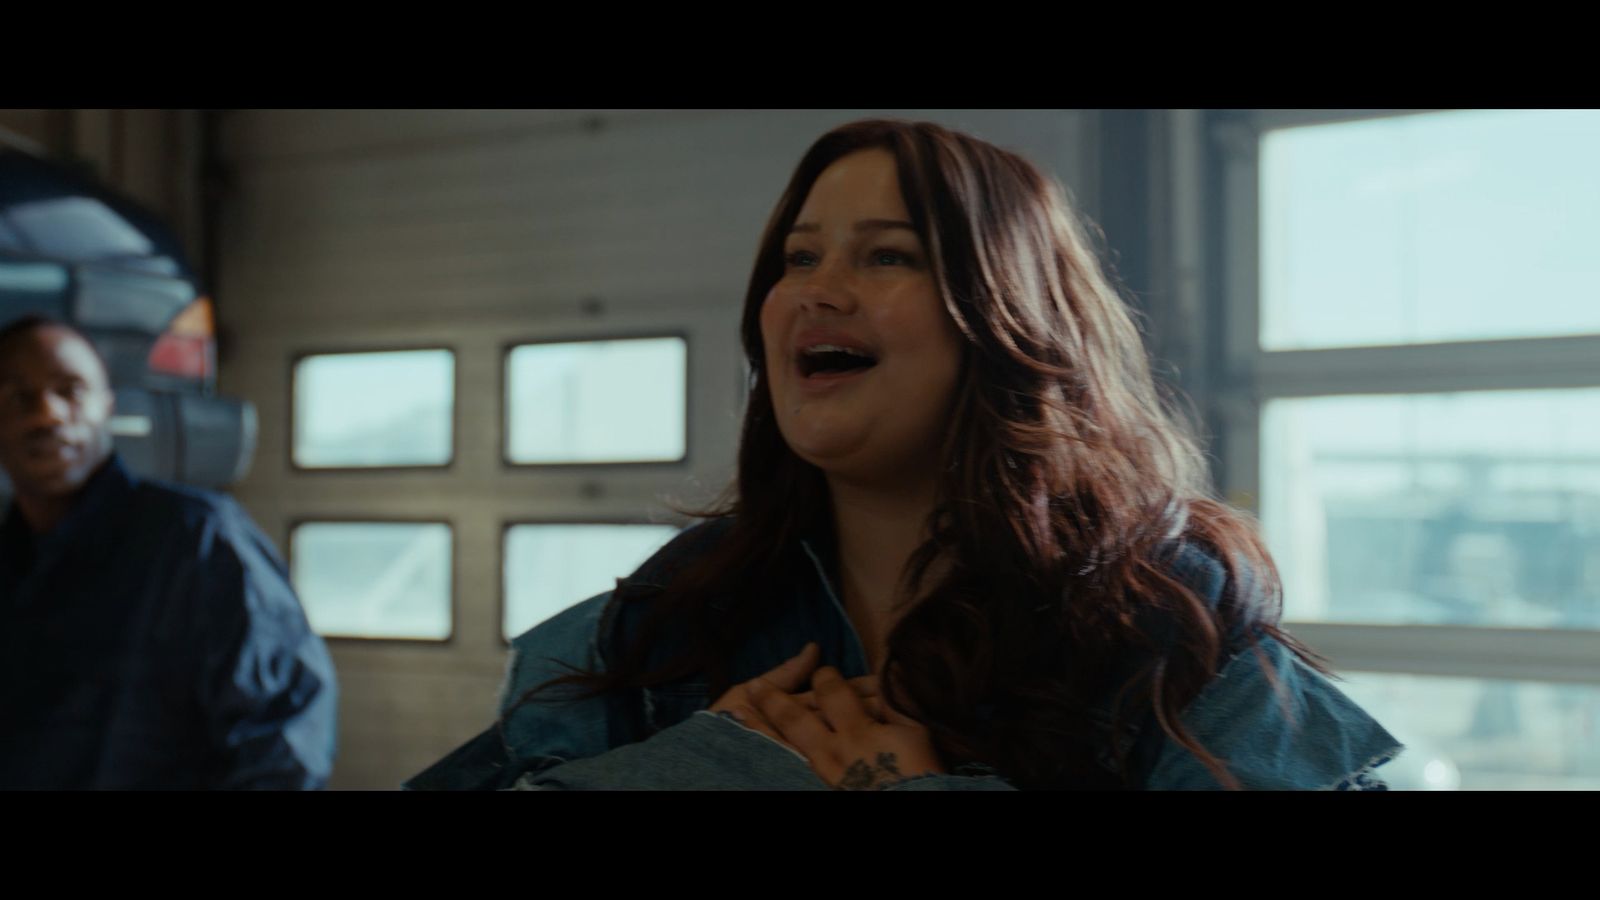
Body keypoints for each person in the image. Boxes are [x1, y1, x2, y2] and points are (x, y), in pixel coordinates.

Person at [407, 119, 1401, 791]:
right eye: (798, 258)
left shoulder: (1176, 638)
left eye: (885, 255)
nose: (815, 291)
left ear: (1012, 323)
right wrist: (717, 766)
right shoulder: (634, 639)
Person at [0, 315, 337, 789]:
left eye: (70, 390)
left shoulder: (196, 541)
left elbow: (285, 738)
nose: (47, 414)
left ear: (107, 406)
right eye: (19, 397)